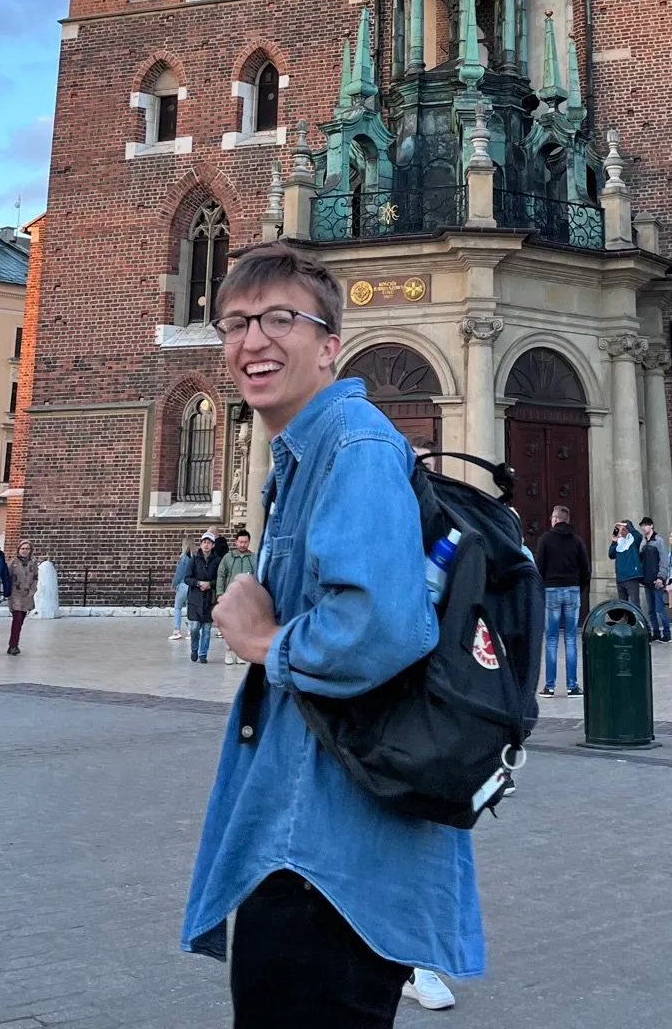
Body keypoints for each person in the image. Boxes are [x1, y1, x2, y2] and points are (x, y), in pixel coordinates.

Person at [183, 244, 482, 1026]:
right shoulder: (311, 452)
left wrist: (261, 642)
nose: (254, 340)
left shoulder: (352, 446)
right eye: (237, 323)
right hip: (308, 839)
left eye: (282, 318)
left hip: (327, 854)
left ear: (329, 346)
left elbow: (382, 626)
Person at [535, 503, 591, 694]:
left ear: (556, 519)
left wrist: (542, 588)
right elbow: (586, 568)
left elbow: (539, 567)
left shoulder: (545, 540)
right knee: (571, 638)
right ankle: (572, 686)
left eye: (552, 517)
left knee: (551, 639)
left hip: (551, 590)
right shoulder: (576, 541)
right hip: (572, 590)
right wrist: (578, 587)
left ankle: (550, 686)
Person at [216, 528, 257, 665]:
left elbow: (258, 577)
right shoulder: (228, 558)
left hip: (247, 599)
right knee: (230, 627)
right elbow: (221, 576)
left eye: (245, 542)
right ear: (236, 542)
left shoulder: (253, 558)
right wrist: (220, 593)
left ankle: (241, 653)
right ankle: (229, 651)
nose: (243, 545)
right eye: (240, 542)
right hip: (230, 598)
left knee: (244, 627)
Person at [186, 531, 225, 663]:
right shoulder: (194, 560)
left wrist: (210, 584)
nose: (206, 545)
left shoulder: (218, 561)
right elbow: (187, 578)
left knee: (207, 629)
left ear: (213, 545)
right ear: (201, 544)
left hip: (209, 598)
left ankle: (203, 653)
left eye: (209, 542)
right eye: (204, 542)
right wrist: (198, 583)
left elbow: (220, 578)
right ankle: (194, 649)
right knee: (195, 627)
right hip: (195, 598)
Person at [639, 519, 671, 643]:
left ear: (651, 526)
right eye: (642, 526)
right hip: (647, 579)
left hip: (656, 579)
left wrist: (661, 577)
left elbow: (663, 560)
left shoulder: (658, 541)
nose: (644, 528)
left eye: (646, 525)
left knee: (660, 608)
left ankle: (667, 632)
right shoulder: (643, 542)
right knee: (651, 609)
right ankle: (656, 632)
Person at [6, 539, 37, 656]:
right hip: (15, 594)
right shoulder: (13, 562)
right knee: (17, 619)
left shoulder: (33, 562)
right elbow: (7, 577)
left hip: (27, 594)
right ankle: (13, 645)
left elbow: (35, 577)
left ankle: (15, 643)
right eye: (23, 548)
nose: (25, 551)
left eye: (27, 549)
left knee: (21, 620)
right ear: (18, 550)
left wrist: (33, 589)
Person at [609, 520, 644, 611]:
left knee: (635, 605)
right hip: (620, 578)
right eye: (620, 529)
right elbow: (611, 554)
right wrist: (614, 540)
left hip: (632, 577)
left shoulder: (633, 539)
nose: (622, 531)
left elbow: (638, 535)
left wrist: (626, 525)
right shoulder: (618, 542)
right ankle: (626, 624)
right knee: (623, 607)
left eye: (624, 529)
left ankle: (637, 624)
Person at [170, 539, 195, 643]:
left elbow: (179, 574)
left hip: (183, 585)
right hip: (191, 585)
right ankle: (190, 631)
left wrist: (174, 584)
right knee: (190, 608)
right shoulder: (195, 558)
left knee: (178, 607)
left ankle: (176, 631)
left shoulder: (183, 558)